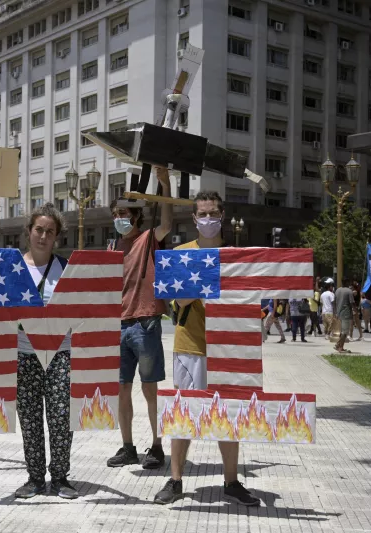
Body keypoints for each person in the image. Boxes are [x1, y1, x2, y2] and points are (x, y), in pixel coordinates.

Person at [153, 191, 260, 507]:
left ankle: (231, 482)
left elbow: (249, 300)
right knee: (183, 414)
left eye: (213, 213)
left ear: (222, 215)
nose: (208, 219)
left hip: (228, 347)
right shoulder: (181, 254)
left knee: (229, 416)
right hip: (190, 347)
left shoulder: (237, 257)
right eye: (203, 214)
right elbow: (178, 301)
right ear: (194, 218)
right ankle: (175, 481)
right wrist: (207, 275)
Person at [106, 166, 172, 469]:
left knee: (150, 387)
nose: (122, 217)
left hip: (145, 321)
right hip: (117, 325)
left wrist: (165, 184)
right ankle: (127, 446)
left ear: (136, 217)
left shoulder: (148, 238)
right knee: (120, 388)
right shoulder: (111, 247)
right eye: (117, 212)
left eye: (127, 213)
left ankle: (157, 445)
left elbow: (167, 222)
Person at [14, 204, 78, 500]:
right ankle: (35, 477)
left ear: (57, 237)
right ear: (29, 232)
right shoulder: (13, 268)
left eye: (49, 231)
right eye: (38, 229)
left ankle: (61, 477)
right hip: (23, 354)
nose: (43, 236)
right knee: (29, 418)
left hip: (60, 354)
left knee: (61, 417)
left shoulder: (65, 269)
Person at [333, 280, 354, 353]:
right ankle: (338, 345)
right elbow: (352, 303)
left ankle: (341, 347)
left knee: (342, 332)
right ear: (347, 283)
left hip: (339, 313)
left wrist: (335, 312)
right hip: (346, 314)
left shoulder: (337, 290)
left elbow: (334, 302)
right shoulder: (349, 291)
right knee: (345, 332)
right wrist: (355, 311)